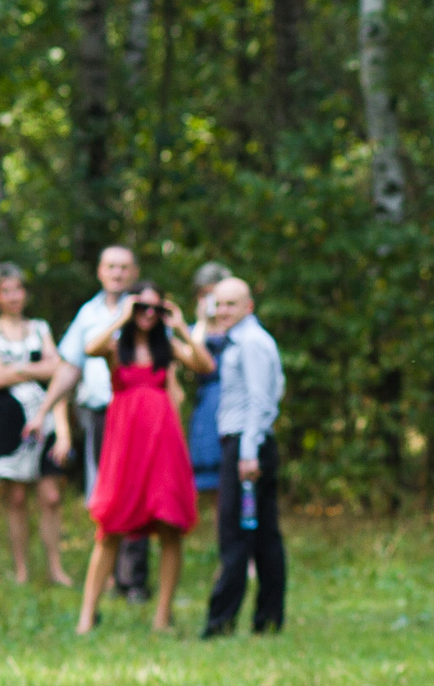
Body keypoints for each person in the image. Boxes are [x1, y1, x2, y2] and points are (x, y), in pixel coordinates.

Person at [75, 279, 215, 633]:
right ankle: (87, 616)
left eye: (156, 307)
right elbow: (89, 348)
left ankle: (162, 617)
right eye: (142, 307)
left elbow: (205, 366)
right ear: (131, 307)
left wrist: (182, 328)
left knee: (170, 526)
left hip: (163, 442)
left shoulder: (167, 347)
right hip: (125, 444)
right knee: (110, 527)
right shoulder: (115, 346)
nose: (149, 314)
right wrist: (122, 317)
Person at [51, 244, 153, 602]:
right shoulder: (88, 314)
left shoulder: (146, 310)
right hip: (99, 415)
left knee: (138, 491)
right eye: (111, 266)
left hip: (138, 415)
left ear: (134, 272)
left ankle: (134, 579)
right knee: (107, 492)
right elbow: (70, 364)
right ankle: (109, 574)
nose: (117, 273)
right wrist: (54, 417)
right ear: (99, 271)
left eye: (124, 267)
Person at [0, 262, 74, 587]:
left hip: (44, 420)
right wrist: (35, 367)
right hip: (7, 424)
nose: (14, 296)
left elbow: (59, 371)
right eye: (6, 291)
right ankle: (21, 570)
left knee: (51, 496)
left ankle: (55, 568)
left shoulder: (40, 328)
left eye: (18, 289)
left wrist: (17, 368)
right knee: (16, 498)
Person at [200, 275, 287, 636]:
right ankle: (266, 620)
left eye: (231, 304)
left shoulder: (251, 342)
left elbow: (261, 400)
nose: (223, 311)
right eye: (218, 304)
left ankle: (221, 622)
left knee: (236, 534)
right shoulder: (241, 340)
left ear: (248, 306)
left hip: (246, 446)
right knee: (262, 533)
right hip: (248, 443)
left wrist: (248, 453)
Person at [186, 261, 235, 500]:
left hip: (233, 400)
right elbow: (192, 363)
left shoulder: (238, 328)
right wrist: (203, 323)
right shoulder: (194, 331)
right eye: (204, 294)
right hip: (207, 405)